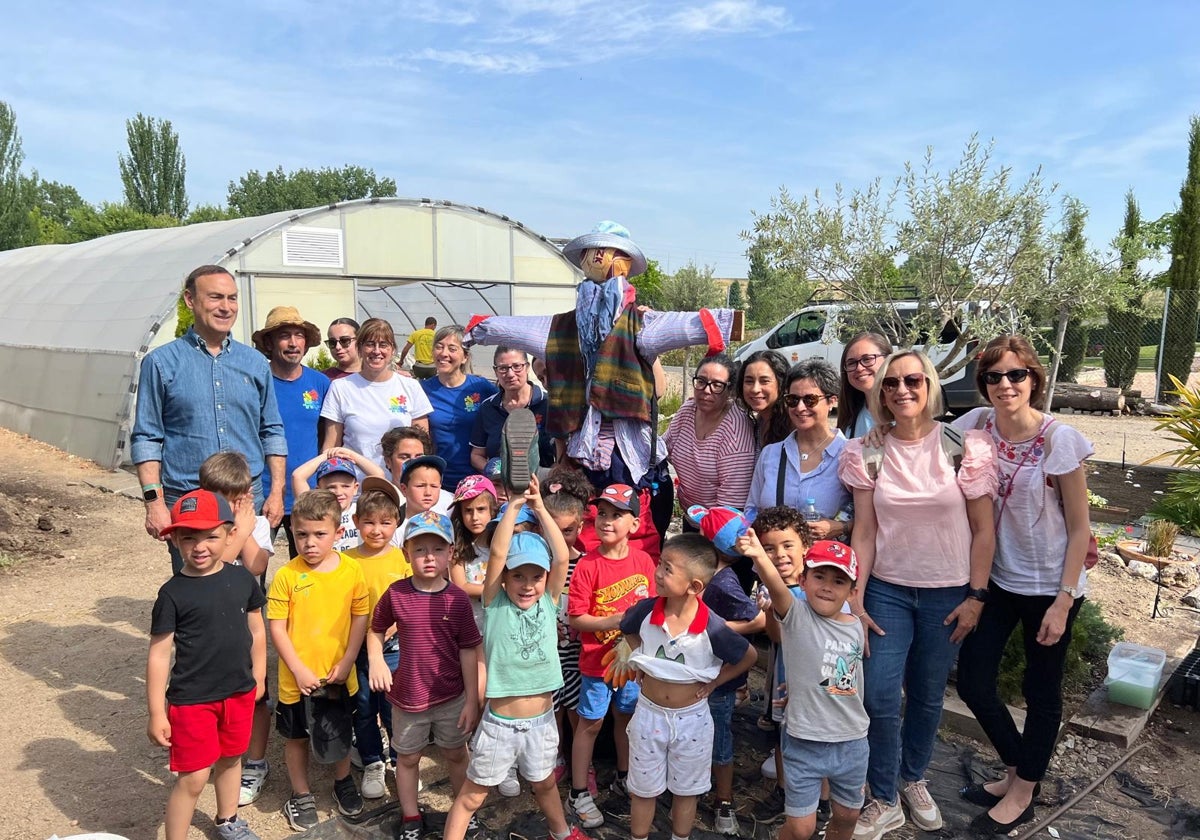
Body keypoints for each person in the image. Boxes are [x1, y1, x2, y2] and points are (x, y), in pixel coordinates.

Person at [467, 222, 735, 552]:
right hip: (583, 451)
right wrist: (482, 329)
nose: (599, 260)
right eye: (593, 253)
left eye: (606, 253)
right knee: (583, 535)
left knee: (635, 540)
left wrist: (719, 323)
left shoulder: (640, 323)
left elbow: (683, 326)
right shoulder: (563, 326)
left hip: (631, 455)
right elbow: (517, 329)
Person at [838, 350, 998, 840]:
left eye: (913, 380)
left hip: (947, 592)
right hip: (886, 589)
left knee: (928, 695)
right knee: (881, 695)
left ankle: (913, 777)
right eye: (891, 383)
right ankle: (884, 796)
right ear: (880, 392)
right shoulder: (866, 451)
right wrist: (857, 597)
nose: (902, 390)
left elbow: (983, 531)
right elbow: (863, 531)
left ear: (929, 385)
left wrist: (976, 596)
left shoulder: (964, 447)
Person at [953, 336, 1093, 835]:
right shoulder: (974, 428)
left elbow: (1080, 529)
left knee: (1041, 689)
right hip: (998, 580)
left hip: (1051, 585)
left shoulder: (1060, 440)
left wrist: (1063, 600)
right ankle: (1019, 769)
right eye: (994, 376)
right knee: (972, 680)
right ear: (983, 385)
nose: (1005, 384)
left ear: (1034, 379)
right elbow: (921, 433)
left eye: (1016, 375)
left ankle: (1024, 792)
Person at [443, 477, 590, 840]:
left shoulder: (548, 601)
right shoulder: (494, 604)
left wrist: (540, 508)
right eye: (518, 575)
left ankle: (561, 832)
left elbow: (559, 556)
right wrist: (513, 506)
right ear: (504, 578)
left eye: (535, 576)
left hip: (542, 724)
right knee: (472, 796)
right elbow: (495, 554)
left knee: (544, 785)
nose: (528, 584)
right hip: (500, 727)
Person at [132, 264, 287, 574]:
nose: (226, 307)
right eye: (216, 297)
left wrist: (276, 491)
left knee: (246, 590)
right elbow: (147, 438)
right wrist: (154, 502)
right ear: (191, 300)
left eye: (232, 298)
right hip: (189, 498)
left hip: (247, 498)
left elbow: (271, 430)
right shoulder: (162, 363)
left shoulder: (254, 363)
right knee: (196, 591)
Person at [617, 533, 757, 840]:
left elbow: (748, 655)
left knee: (686, 791)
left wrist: (716, 681)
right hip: (649, 716)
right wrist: (642, 660)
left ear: (694, 587)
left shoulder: (711, 626)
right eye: (660, 564)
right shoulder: (645, 610)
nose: (658, 572)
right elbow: (626, 627)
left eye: (668, 568)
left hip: (691, 720)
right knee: (643, 789)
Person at [147, 490, 267, 840]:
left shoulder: (242, 579)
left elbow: (256, 629)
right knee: (195, 776)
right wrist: (157, 712)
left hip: (239, 691)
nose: (200, 547)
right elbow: (158, 654)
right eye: (189, 538)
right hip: (192, 699)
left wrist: (258, 674)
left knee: (232, 758)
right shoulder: (172, 593)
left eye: (211, 536)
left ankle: (228, 819)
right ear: (175, 541)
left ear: (230, 534)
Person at [736, 533, 868, 840]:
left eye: (838, 581)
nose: (826, 586)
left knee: (848, 816)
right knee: (800, 827)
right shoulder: (797, 616)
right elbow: (778, 590)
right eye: (819, 576)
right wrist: (758, 555)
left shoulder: (854, 628)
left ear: (852, 592)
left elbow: (848, 682)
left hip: (851, 741)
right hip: (803, 739)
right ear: (803, 580)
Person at [368, 511, 483, 840]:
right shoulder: (396, 593)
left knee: (456, 754)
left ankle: (464, 812)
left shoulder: (458, 599)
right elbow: (376, 630)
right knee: (407, 758)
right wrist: (376, 658)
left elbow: (469, 649)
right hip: (407, 698)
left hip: (451, 697)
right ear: (406, 553)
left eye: (437, 548)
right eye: (419, 549)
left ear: (450, 553)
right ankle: (410, 817)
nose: (428, 556)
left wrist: (472, 700)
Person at [266, 490, 369, 831]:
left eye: (319, 534)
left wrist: (349, 659)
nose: (310, 543)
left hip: (338, 676)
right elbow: (277, 628)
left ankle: (342, 781)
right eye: (301, 534)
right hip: (295, 681)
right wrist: (297, 669)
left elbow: (360, 617)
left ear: (338, 533)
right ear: (292, 532)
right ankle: (301, 793)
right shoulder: (286, 576)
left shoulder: (352, 571)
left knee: (338, 730)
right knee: (295, 737)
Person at [565, 484, 658, 829]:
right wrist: (616, 621)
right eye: (602, 513)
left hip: (633, 663)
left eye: (617, 514)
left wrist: (635, 640)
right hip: (596, 663)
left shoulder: (643, 561)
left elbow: (650, 608)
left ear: (634, 524)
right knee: (590, 724)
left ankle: (625, 775)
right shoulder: (588, 565)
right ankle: (578, 792)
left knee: (628, 718)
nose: (607, 520)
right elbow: (576, 618)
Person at [197, 452, 275, 807]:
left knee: (256, 695)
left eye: (233, 498)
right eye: (219, 497)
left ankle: (255, 762)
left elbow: (257, 563)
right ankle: (220, 754)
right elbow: (215, 562)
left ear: (246, 495)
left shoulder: (254, 524)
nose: (226, 505)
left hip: (245, 620)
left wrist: (244, 528)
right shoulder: (199, 524)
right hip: (209, 627)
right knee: (213, 692)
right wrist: (236, 528)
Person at [688, 506, 766, 836]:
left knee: (720, 740)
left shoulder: (724, 583)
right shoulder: (704, 573)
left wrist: (709, 628)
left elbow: (757, 620)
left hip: (716, 681)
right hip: (692, 673)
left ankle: (724, 800)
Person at [343, 478, 411, 800]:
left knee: (395, 705)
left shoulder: (401, 558)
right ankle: (372, 761)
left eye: (385, 522)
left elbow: (411, 600)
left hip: (396, 645)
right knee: (365, 705)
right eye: (368, 522)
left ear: (396, 523)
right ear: (356, 522)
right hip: (357, 648)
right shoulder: (347, 561)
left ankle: (400, 760)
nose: (376, 530)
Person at [745, 505, 813, 823]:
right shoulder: (770, 588)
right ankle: (784, 792)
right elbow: (776, 637)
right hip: (783, 681)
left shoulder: (817, 589)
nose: (780, 555)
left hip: (813, 688)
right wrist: (770, 610)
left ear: (806, 548)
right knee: (782, 737)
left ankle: (820, 802)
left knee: (815, 745)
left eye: (788, 546)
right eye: (769, 548)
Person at [744, 359, 853, 539]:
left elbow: (871, 518)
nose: (800, 408)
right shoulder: (771, 454)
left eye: (810, 400)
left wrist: (843, 527)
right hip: (773, 564)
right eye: (793, 400)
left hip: (825, 562)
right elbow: (752, 509)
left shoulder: (849, 454)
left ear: (832, 400)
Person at [253, 306, 330, 557]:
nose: (293, 343)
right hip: (262, 491)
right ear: (270, 342)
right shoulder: (256, 381)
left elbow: (327, 434)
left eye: (299, 336)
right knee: (253, 570)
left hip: (305, 492)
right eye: (285, 335)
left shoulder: (319, 383)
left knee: (309, 567)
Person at [321, 318, 433, 469]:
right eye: (370, 344)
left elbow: (422, 446)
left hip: (400, 485)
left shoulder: (410, 386)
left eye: (383, 345)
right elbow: (331, 446)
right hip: (356, 486)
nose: (376, 351)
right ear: (359, 348)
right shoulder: (340, 388)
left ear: (392, 349)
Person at [665, 354, 757, 518]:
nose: (706, 390)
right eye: (701, 382)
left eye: (717, 385)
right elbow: (663, 448)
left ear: (730, 390)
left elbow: (730, 509)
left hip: (721, 526)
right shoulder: (688, 410)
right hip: (692, 515)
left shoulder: (736, 433)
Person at [421, 325, 498, 487]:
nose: (444, 353)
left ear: (465, 357)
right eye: (439, 347)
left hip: (478, 479)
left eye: (452, 348)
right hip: (439, 480)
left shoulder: (481, 387)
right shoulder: (423, 389)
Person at [471, 346, 554, 472]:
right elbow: (476, 455)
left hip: (541, 483)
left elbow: (562, 454)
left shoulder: (547, 404)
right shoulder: (488, 408)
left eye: (517, 366)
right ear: (495, 371)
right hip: (500, 485)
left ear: (527, 367)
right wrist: (494, 471)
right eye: (503, 368)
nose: (510, 374)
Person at [291, 451, 385, 553]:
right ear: (319, 489)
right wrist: (326, 455)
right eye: (331, 487)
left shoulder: (361, 509)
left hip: (356, 566)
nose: (339, 492)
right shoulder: (313, 510)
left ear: (355, 488)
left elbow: (378, 475)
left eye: (345, 486)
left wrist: (350, 455)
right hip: (328, 566)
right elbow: (298, 476)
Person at [836, 333, 893, 440]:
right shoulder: (849, 417)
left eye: (867, 359)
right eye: (852, 363)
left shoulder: (904, 413)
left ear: (888, 360)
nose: (859, 368)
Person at [737, 349, 791, 451]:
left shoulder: (793, 426)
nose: (755, 389)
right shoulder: (759, 422)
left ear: (781, 383)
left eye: (764, 381)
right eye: (749, 381)